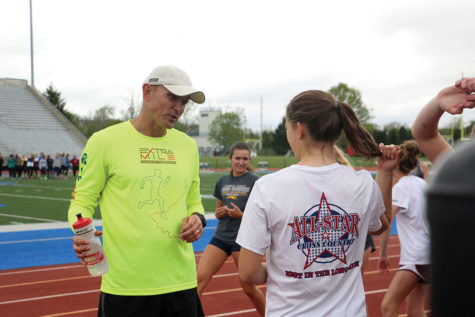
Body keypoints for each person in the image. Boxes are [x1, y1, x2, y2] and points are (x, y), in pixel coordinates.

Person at [237, 90, 400, 316]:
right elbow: (381, 224)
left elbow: (247, 273)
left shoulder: (268, 187)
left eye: (287, 128)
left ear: (300, 129)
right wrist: (385, 173)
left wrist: (283, 271)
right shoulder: (362, 182)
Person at [69, 65, 207, 317]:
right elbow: (81, 202)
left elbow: (194, 200)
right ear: (147, 91)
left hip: (182, 284)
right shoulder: (104, 141)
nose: (179, 107)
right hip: (125, 289)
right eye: (172, 97)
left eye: (184, 102)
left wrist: (198, 219)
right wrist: (82, 233)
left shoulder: (187, 146)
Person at [197, 141, 265, 316]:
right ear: (230, 159)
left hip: (241, 241)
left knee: (247, 288)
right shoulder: (222, 181)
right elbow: (219, 210)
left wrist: (240, 215)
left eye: (245, 158)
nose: (241, 162)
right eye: (237, 158)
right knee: (197, 282)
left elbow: (261, 216)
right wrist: (220, 213)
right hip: (220, 238)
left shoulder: (256, 182)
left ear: (249, 160)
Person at [378, 140, 430, 317]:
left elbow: (386, 222)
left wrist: (383, 254)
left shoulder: (401, 188)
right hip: (430, 254)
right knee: (415, 310)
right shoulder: (422, 183)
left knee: (388, 306)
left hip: (415, 256)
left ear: (394, 164)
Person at [412, 77, 475, 163]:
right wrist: (438, 102)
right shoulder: (465, 170)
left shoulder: (464, 171)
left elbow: (426, 137)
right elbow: (425, 136)